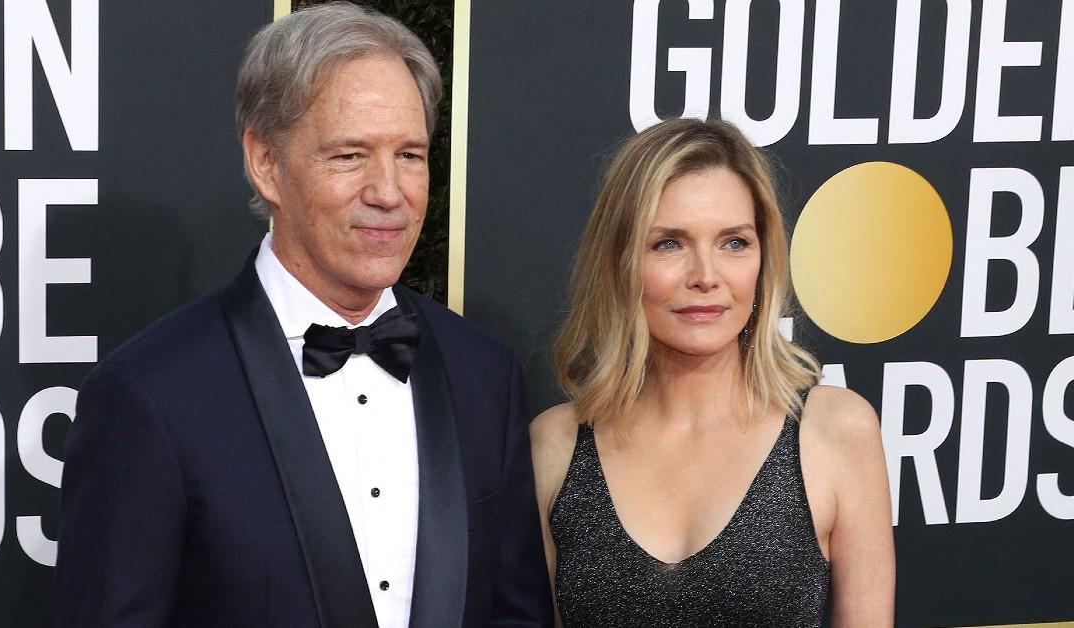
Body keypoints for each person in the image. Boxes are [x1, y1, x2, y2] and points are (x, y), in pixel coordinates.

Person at [51, 3, 552, 627]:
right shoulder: (150, 396)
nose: (389, 193)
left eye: (411, 155)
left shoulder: (485, 374)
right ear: (267, 164)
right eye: (349, 156)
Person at [530, 118, 895, 627]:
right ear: (619, 262)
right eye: (669, 243)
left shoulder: (835, 432)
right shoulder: (555, 445)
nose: (706, 276)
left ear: (763, 260)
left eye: (734, 243)